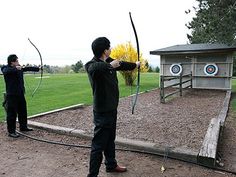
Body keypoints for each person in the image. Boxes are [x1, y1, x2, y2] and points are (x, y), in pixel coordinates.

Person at [85, 37, 140, 177]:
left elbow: (121, 64)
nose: (111, 49)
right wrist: (111, 66)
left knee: (110, 139)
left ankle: (111, 165)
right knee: (98, 145)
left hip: (111, 109)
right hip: (102, 112)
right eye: (109, 47)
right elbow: (94, 69)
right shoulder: (91, 64)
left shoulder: (109, 62)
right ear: (104, 50)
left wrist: (135, 65)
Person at [1, 54, 41, 138]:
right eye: (17, 61)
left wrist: (38, 69)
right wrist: (15, 68)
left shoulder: (19, 68)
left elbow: (27, 68)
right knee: (12, 113)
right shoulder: (5, 68)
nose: (18, 62)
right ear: (12, 62)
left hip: (20, 94)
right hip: (12, 95)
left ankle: (23, 127)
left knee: (23, 111)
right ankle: (11, 131)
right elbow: (6, 71)